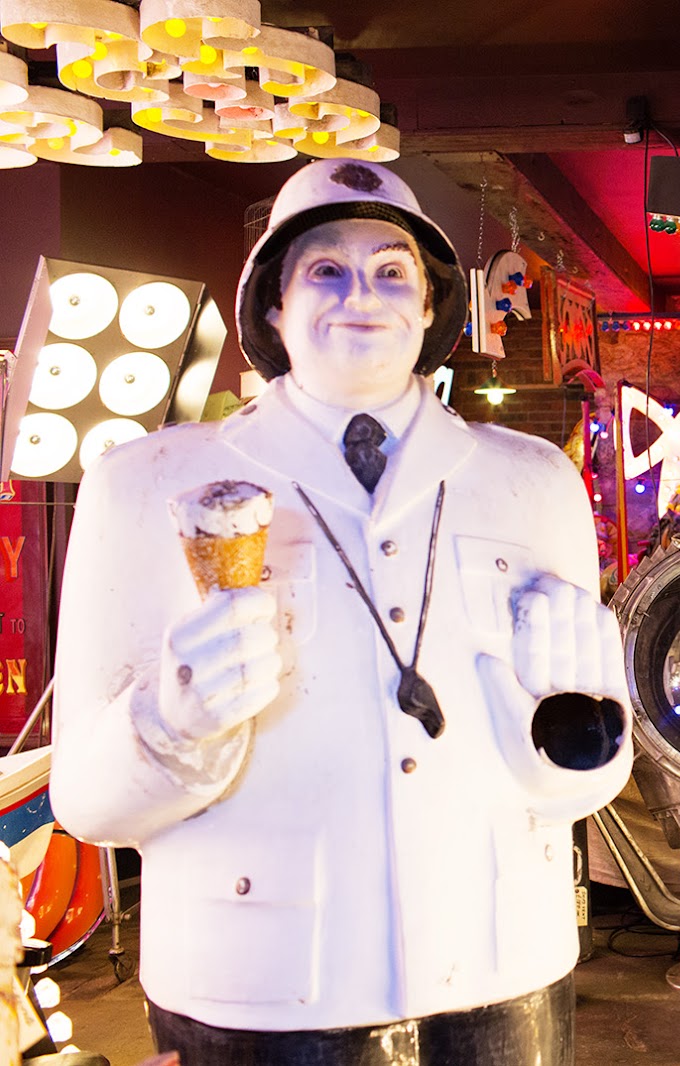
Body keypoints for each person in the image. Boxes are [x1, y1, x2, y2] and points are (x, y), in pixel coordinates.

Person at [49, 160, 632, 1065]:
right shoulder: (144, 484)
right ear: (273, 305)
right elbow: (85, 800)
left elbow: (583, 783)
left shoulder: (533, 482)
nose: (363, 294)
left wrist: (576, 735)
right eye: (326, 269)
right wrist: (176, 723)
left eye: (392, 270)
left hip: (503, 962)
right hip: (255, 985)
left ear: (430, 308)